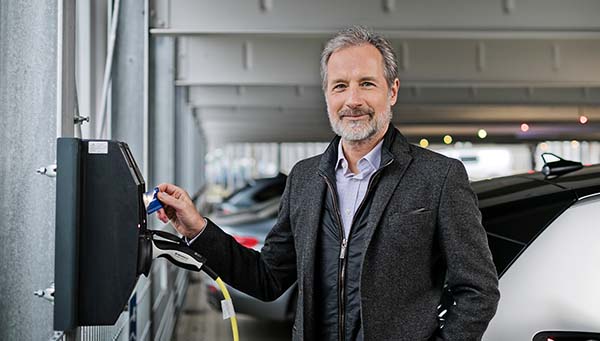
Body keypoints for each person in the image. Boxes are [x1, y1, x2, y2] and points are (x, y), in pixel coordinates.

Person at [156, 26, 499, 341]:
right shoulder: (304, 179)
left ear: (392, 91)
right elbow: (267, 278)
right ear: (327, 95)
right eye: (340, 86)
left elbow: (479, 289)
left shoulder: (438, 177)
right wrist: (198, 227)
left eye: (367, 83)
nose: (353, 100)